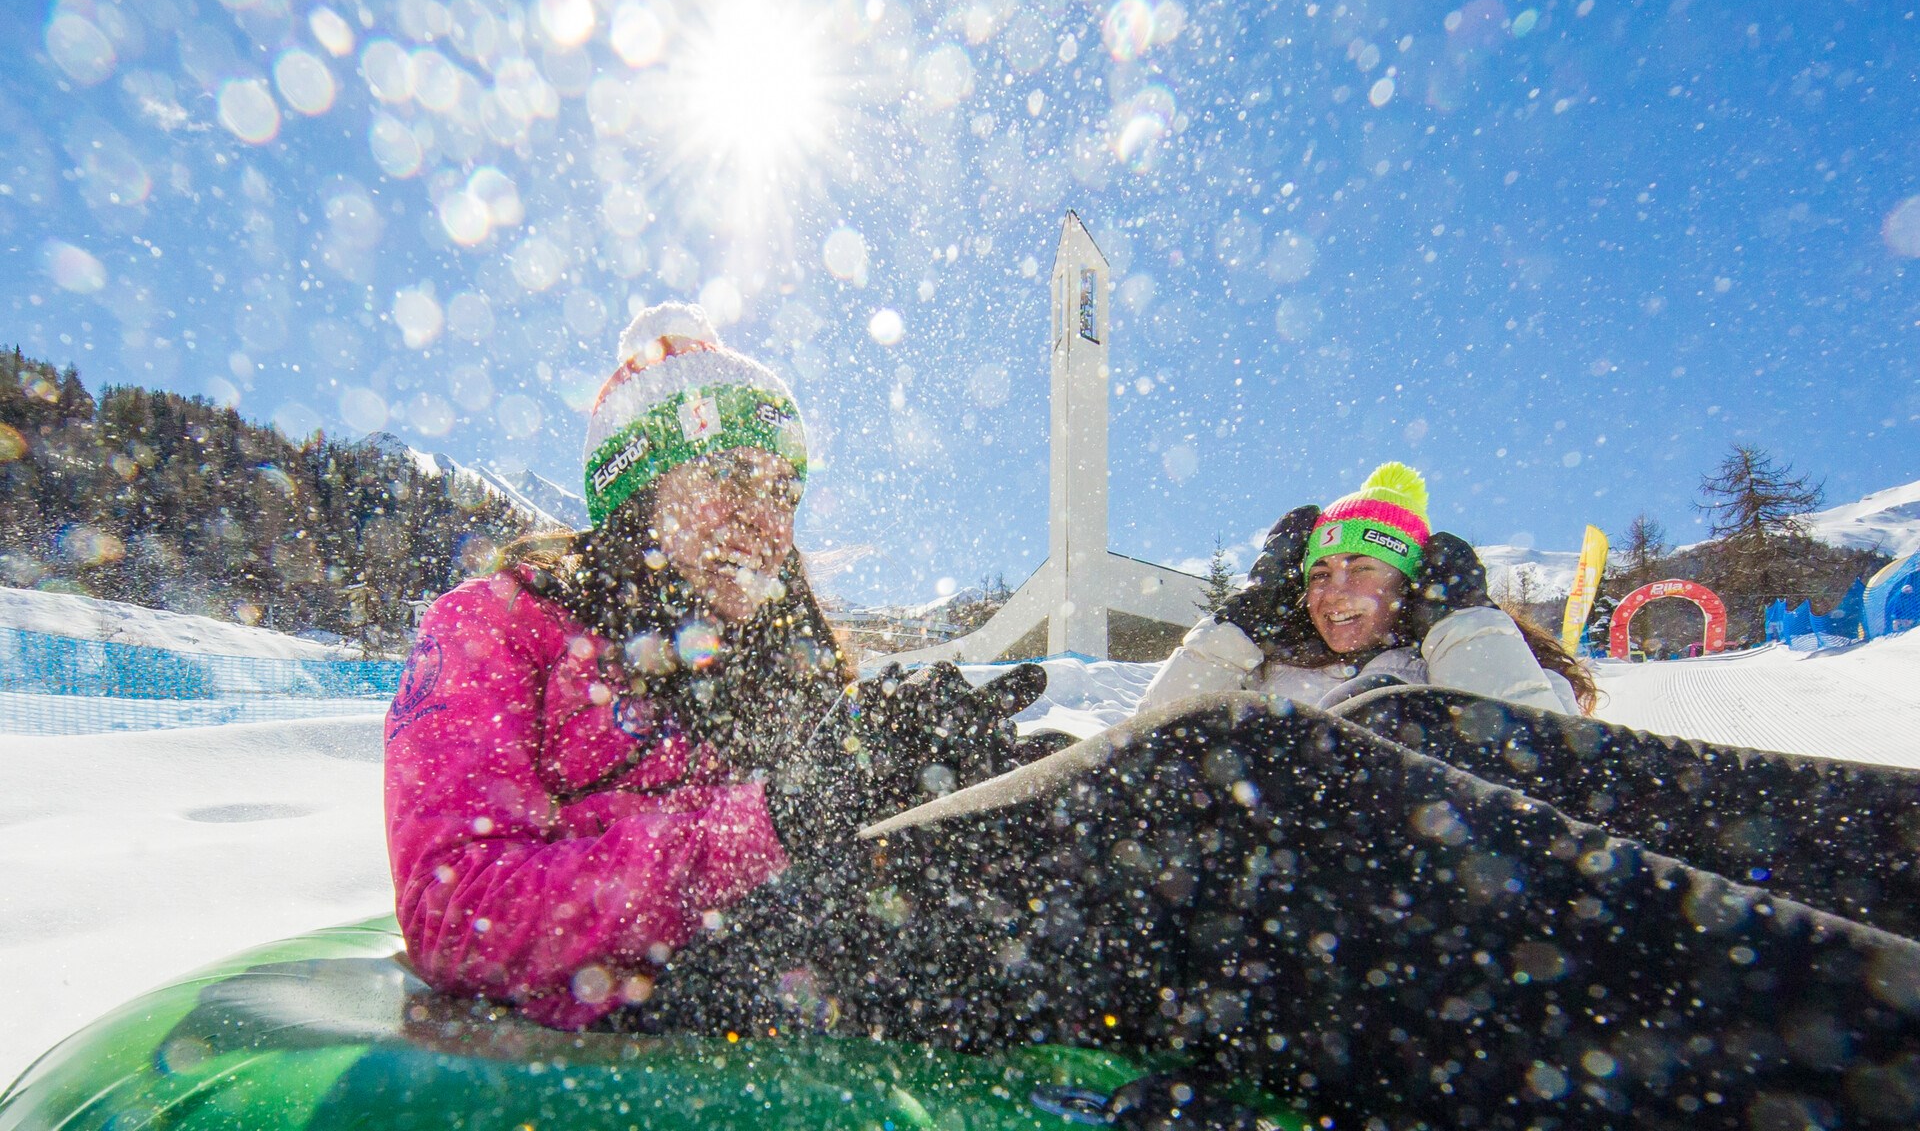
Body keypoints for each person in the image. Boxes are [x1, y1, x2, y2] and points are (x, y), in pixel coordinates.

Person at [382, 303, 1042, 1029]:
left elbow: (849, 840)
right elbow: (454, 912)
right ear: (639, 493)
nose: (766, 522)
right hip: (658, 1000)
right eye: (729, 475)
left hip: (804, 961)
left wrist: (929, 771)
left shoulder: (781, 654)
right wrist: (779, 816)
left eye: (784, 492)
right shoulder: (498, 624)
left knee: (1043, 811)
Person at [1135, 462, 1598, 718]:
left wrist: (1462, 622)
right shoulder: (1262, 671)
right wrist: (1242, 622)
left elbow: (1538, 775)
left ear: (1409, 583)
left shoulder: (1486, 663)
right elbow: (1152, 738)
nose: (1334, 593)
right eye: (1319, 574)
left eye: (1360, 569)